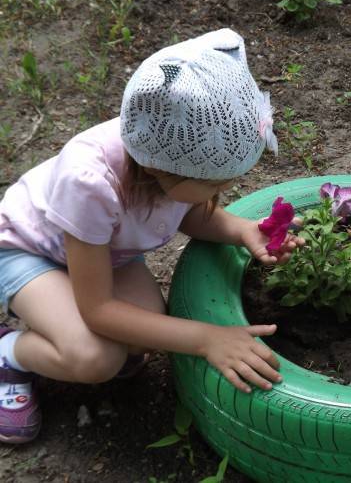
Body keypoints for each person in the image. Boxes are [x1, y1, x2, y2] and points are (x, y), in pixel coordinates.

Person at [0, 29, 302, 444]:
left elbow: (191, 211)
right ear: (165, 173)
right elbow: (99, 310)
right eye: (216, 187)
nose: (222, 195)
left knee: (140, 340)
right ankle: (10, 354)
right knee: (97, 357)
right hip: (28, 251)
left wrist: (243, 230)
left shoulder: (169, 150)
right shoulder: (90, 183)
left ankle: (57, 329)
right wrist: (206, 339)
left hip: (104, 254)